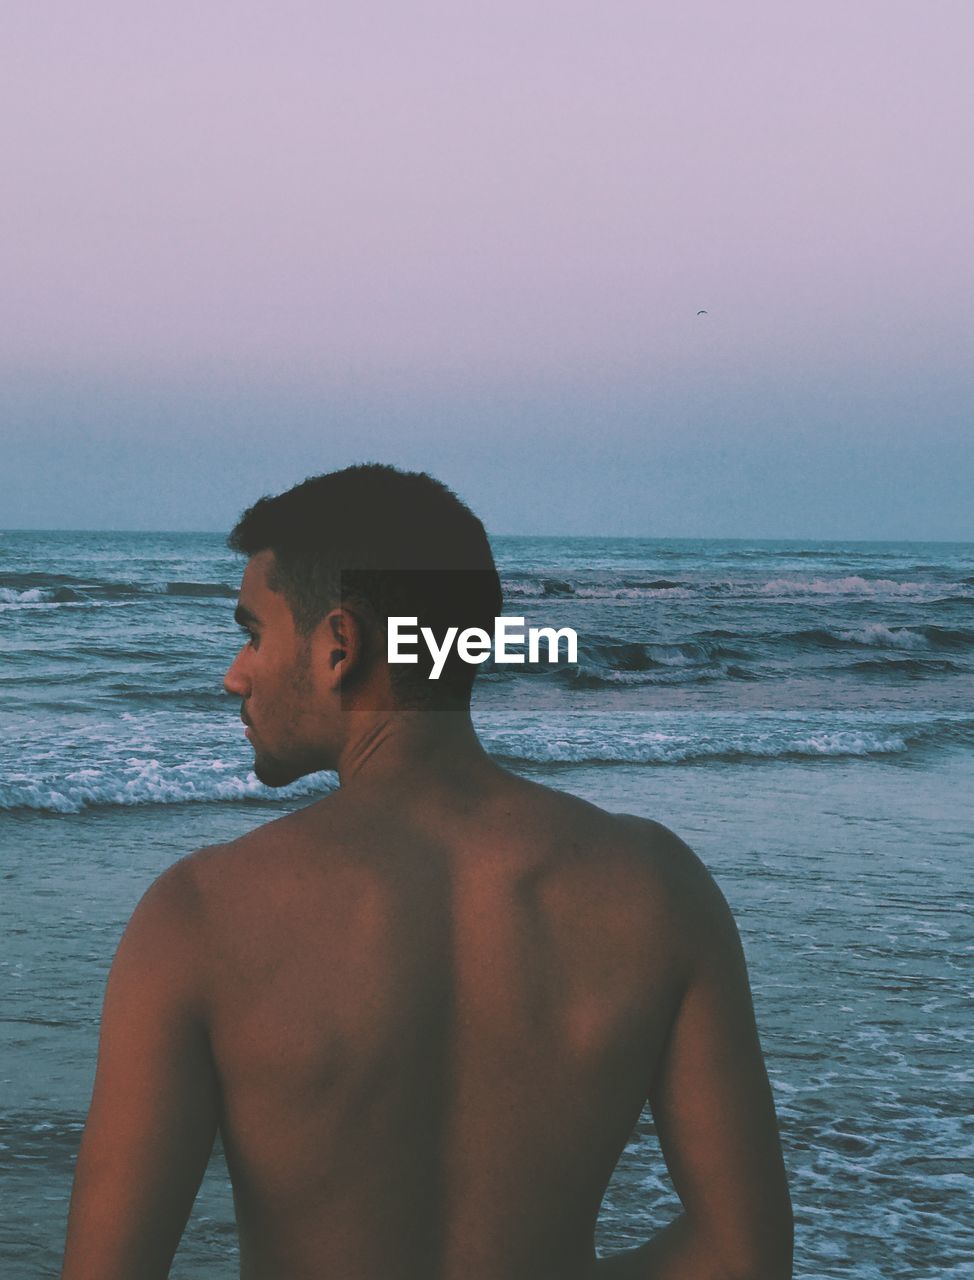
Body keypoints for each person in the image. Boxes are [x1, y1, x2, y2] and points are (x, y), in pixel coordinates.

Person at [61, 464, 793, 1280]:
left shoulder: (198, 916)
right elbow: (744, 1256)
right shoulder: (656, 889)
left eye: (254, 633)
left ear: (339, 644)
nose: (236, 672)